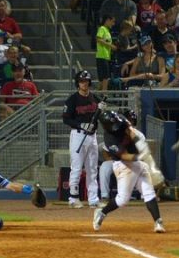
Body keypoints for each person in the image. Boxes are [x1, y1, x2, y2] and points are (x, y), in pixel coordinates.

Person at [93, 110, 166, 233]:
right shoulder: (109, 139)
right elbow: (124, 156)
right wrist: (138, 157)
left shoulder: (120, 119)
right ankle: (102, 212)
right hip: (123, 165)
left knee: (149, 193)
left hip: (138, 164)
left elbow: (131, 132)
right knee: (122, 199)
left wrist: (142, 148)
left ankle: (158, 222)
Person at [62, 70, 107, 208]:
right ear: (78, 83)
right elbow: (66, 118)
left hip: (92, 136)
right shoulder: (72, 100)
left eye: (86, 81)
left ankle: (93, 198)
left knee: (92, 168)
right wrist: (80, 124)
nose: (84, 83)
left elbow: (100, 117)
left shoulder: (95, 98)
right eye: (82, 81)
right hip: (78, 135)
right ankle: (73, 197)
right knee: (76, 167)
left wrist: (102, 111)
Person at [99, 108, 137, 200]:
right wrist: (112, 160)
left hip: (133, 160)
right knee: (104, 166)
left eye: (132, 120)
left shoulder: (137, 134)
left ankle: (145, 197)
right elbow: (105, 150)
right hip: (119, 159)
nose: (130, 122)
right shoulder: (111, 135)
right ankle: (105, 195)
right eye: (129, 120)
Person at [96, 14, 117, 91]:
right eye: (112, 21)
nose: (113, 24)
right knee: (105, 78)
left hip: (106, 57)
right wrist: (111, 46)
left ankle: (96, 96)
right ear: (108, 20)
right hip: (102, 56)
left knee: (102, 80)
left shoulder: (107, 31)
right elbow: (99, 39)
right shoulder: (102, 28)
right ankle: (104, 96)